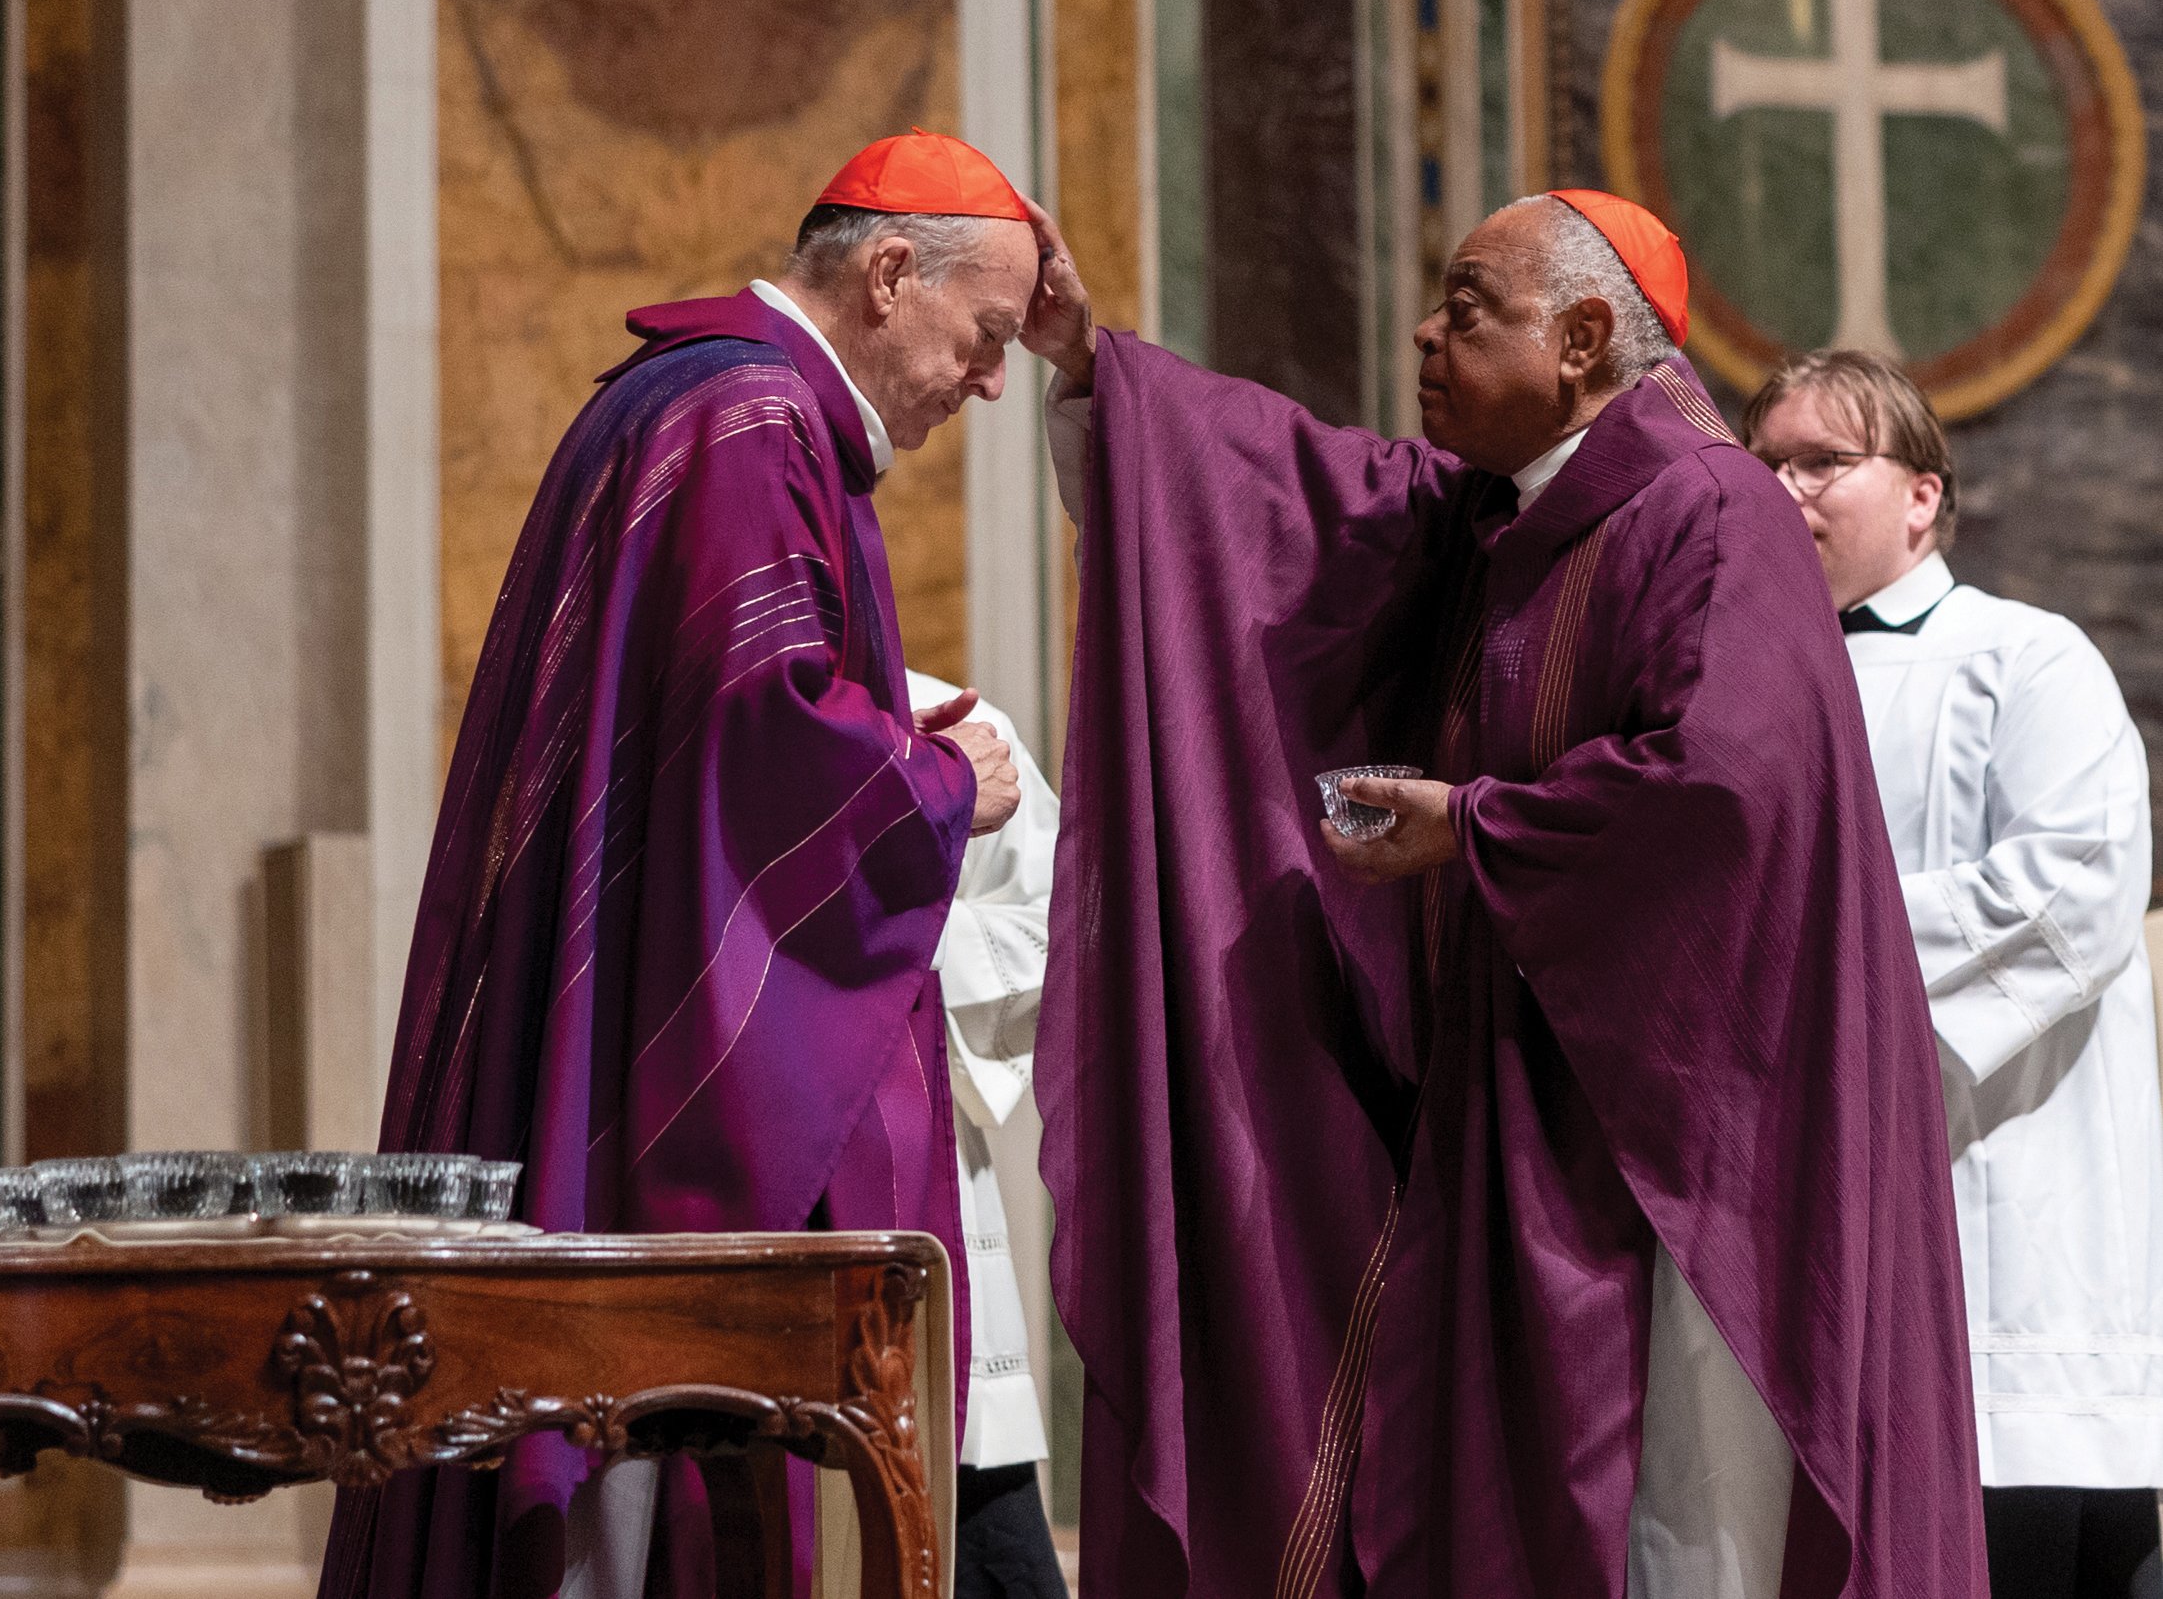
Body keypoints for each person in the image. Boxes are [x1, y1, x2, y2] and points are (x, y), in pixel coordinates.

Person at [1019, 191, 1985, 1596]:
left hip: (1687, 1147)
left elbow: (1720, 791)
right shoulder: (1497, 513)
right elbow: (1283, 502)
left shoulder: (1707, 513)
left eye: (1467, 308)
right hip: (1523, 1114)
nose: (1422, 332)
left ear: (1583, 338)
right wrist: (1095, 371)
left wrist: (1469, 826)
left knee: (1677, 1521)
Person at [318, 131, 1037, 1599]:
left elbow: (714, 722)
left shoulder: (692, 396)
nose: (988, 381)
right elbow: (763, 751)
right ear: (893, 274)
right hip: (653, 1119)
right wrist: (945, 780)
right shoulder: (753, 420)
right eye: (986, 335)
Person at [1745, 351, 2163, 1599]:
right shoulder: (1732, 690)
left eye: (1822, 461)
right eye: (1763, 464)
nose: (1783, 490)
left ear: (1921, 496)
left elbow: (2070, 888)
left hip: (2006, 1220)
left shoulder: (2022, 659)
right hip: (1799, 1232)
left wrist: (1795, 958)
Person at [904, 668, 1070, 1599]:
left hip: (923, 1199)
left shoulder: (951, 724)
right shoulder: (690, 728)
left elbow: (1054, 925)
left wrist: (885, 942)